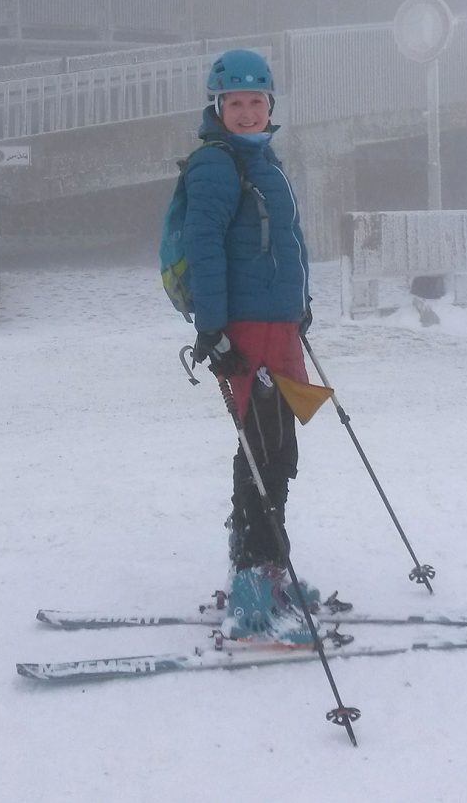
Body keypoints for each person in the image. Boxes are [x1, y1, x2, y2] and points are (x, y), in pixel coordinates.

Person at [181, 48, 317, 643]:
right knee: (264, 453)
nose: (245, 111)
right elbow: (204, 248)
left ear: (269, 106)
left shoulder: (266, 161)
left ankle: (270, 571)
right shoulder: (216, 165)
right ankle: (251, 585)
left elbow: (287, 242)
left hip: (279, 325)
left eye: (255, 101)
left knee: (279, 451)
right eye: (233, 102)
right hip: (246, 332)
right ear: (218, 106)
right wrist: (212, 329)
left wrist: (300, 307)